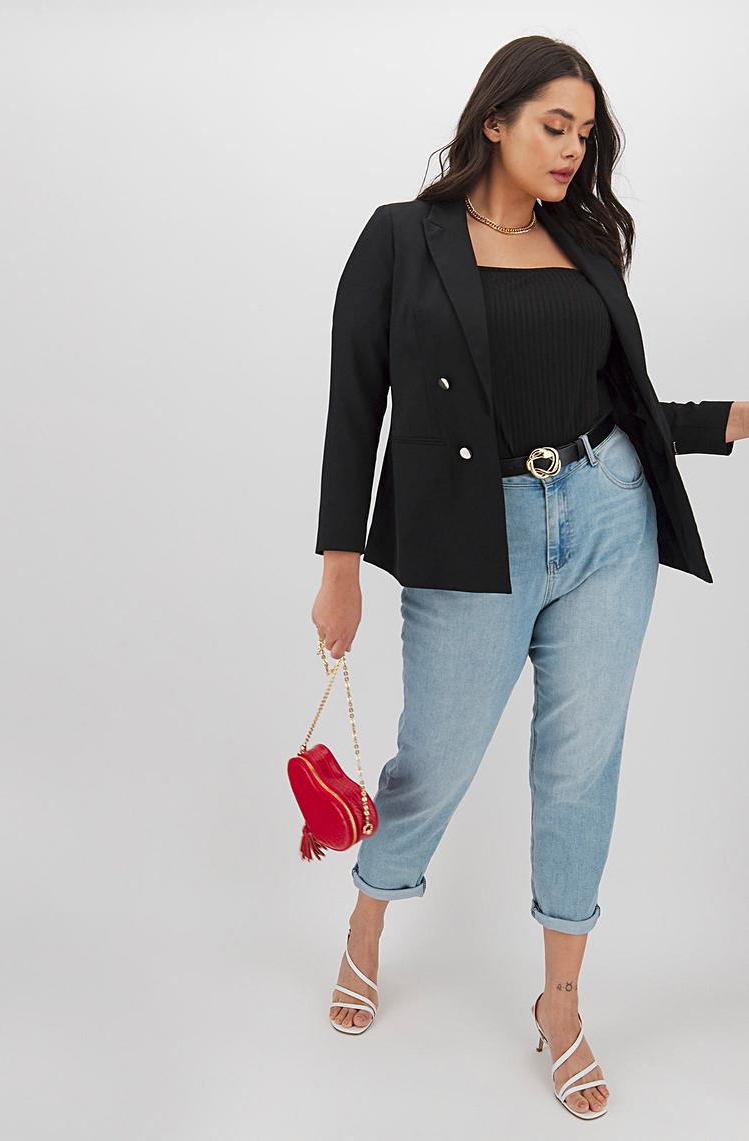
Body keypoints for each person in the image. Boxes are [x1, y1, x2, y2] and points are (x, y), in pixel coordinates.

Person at [311, 35, 744, 1121]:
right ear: (494, 120)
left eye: (585, 134)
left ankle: (559, 1003)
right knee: (435, 759)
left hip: (606, 515)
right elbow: (354, 406)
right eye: (554, 125)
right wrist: (340, 566)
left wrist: (730, 419)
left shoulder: (583, 243)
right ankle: (370, 912)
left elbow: (621, 399)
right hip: (472, 535)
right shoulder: (400, 238)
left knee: (580, 764)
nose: (571, 149)